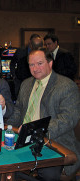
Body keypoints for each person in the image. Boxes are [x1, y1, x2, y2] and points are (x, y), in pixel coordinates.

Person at [7, 48, 80, 180]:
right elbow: (18, 111)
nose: (35, 68)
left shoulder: (66, 86)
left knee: (48, 174)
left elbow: (68, 119)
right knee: (4, 166)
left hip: (54, 142)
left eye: (39, 63)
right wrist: (7, 127)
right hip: (23, 140)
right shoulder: (26, 84)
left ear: (50, 63)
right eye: (31, 64)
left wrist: (36, 131)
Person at [10, 34, 43, 100]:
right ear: (30, 43)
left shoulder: (43, 53)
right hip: (21, 81)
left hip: (36, 81)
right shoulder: (21, 52)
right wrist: (14, 76)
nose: (37, 48)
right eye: (35, 45)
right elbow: (12, 63)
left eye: (38, 45)